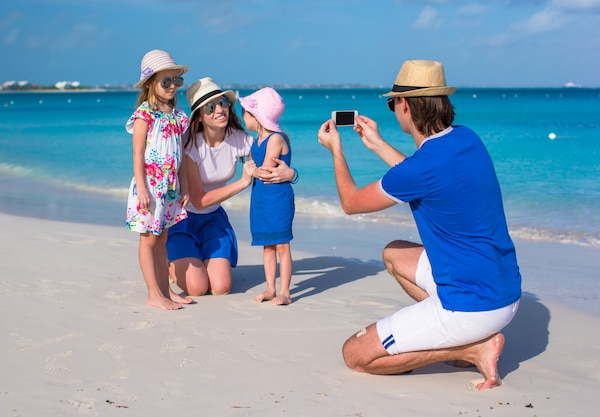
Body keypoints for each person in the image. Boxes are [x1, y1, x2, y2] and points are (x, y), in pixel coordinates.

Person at [317, 60, 522, 389]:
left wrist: (336, 150)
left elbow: (351, 203)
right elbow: (423, 175)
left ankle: (472, 346)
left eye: (392, 102)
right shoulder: (467, 139)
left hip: (472, 306)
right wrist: (377, 143)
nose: (392, 108)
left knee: (355, 355)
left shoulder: (421, 170)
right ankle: (455, 334)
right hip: (505, 291)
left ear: (405, 106)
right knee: (394, 253)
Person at [166, 78, 298, 298]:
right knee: (198, 289)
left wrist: (291, 174)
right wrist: (243, 182)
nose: (220, 110)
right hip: (184, 220)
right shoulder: (189, 144)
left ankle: (199, 259)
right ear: (199, 114)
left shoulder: (237, 138)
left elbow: (267, 156)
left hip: (213, 221)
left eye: (223, 103)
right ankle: (169, 261)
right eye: (211, 106)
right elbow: (198, 200)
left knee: (221, 288)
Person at [126, 49, 192, 310]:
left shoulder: (177, 117)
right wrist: (142, 187)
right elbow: (138, 153)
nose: (172, 86)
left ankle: (166, 289)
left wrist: (183, 186)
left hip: (170, 187)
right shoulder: (145, 113)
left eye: (176, 81)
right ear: (151, 83)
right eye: (166, 82)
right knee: (149, 238)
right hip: (150, 186)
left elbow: (182, 155)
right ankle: (154, 293)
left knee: (163, 238)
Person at [240, 88, 295, 305]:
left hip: (277, 199)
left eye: (245, 112)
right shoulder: (257, 141)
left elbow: (264, 169)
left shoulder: (275, 138)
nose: (243, 116)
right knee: (267, 246)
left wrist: (250, 168)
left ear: (257, 116)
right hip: (261, 199)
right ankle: (271, 288)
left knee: (282, 245)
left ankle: (285, 292)